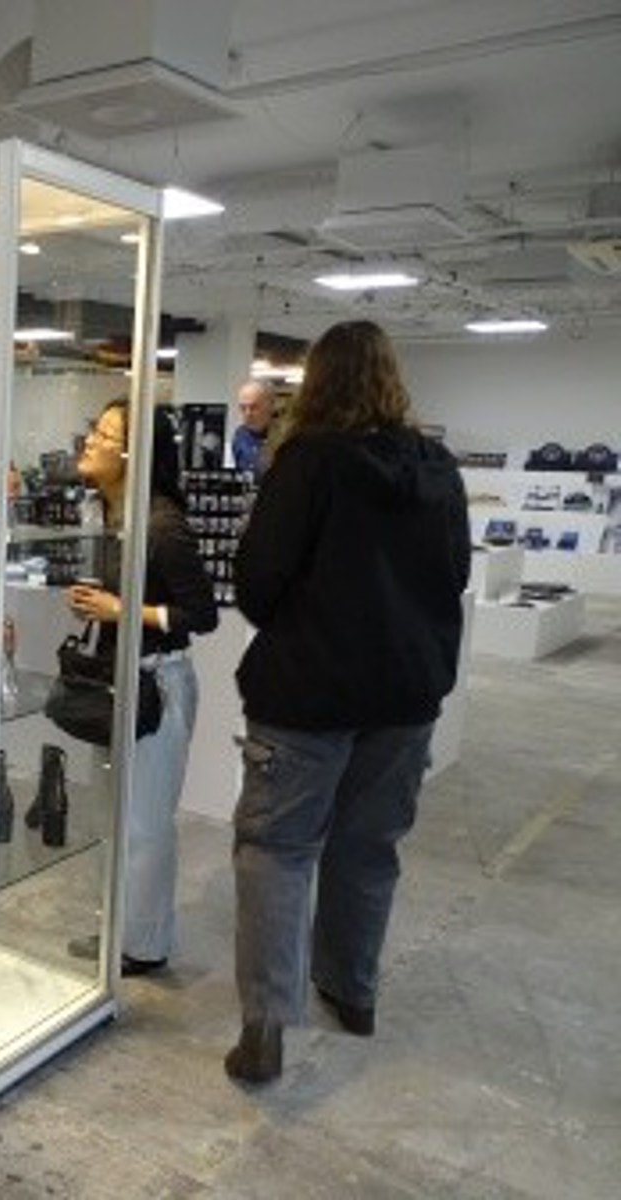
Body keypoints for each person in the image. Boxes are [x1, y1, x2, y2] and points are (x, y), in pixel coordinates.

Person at [224, 320, 469, 1084]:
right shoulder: (437, 467)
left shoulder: (307, 463)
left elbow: (257, 583)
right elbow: (455, 575)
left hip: (306, 694)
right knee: (370, 847)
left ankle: (266, 1026)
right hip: (406, 696)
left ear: (320, 380)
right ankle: (353, 992)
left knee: (276, 850)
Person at [68, 399, 218, 975]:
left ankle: (143, 945)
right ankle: (121, 930)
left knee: (145, 825)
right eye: (96, 429)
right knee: (115, 817)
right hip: (121, 680)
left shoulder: (161, 525)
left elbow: (201, 615)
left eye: (104, 434)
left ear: (133, 453)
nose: (90, 441)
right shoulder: (113, 516)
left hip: (158, 685)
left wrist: (124, 610)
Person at [231, 379, 275, 479]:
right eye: (243, 408)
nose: (248, 414)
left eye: (254, 407)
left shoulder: (286, 437)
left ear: (270, 406)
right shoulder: (239, 435)